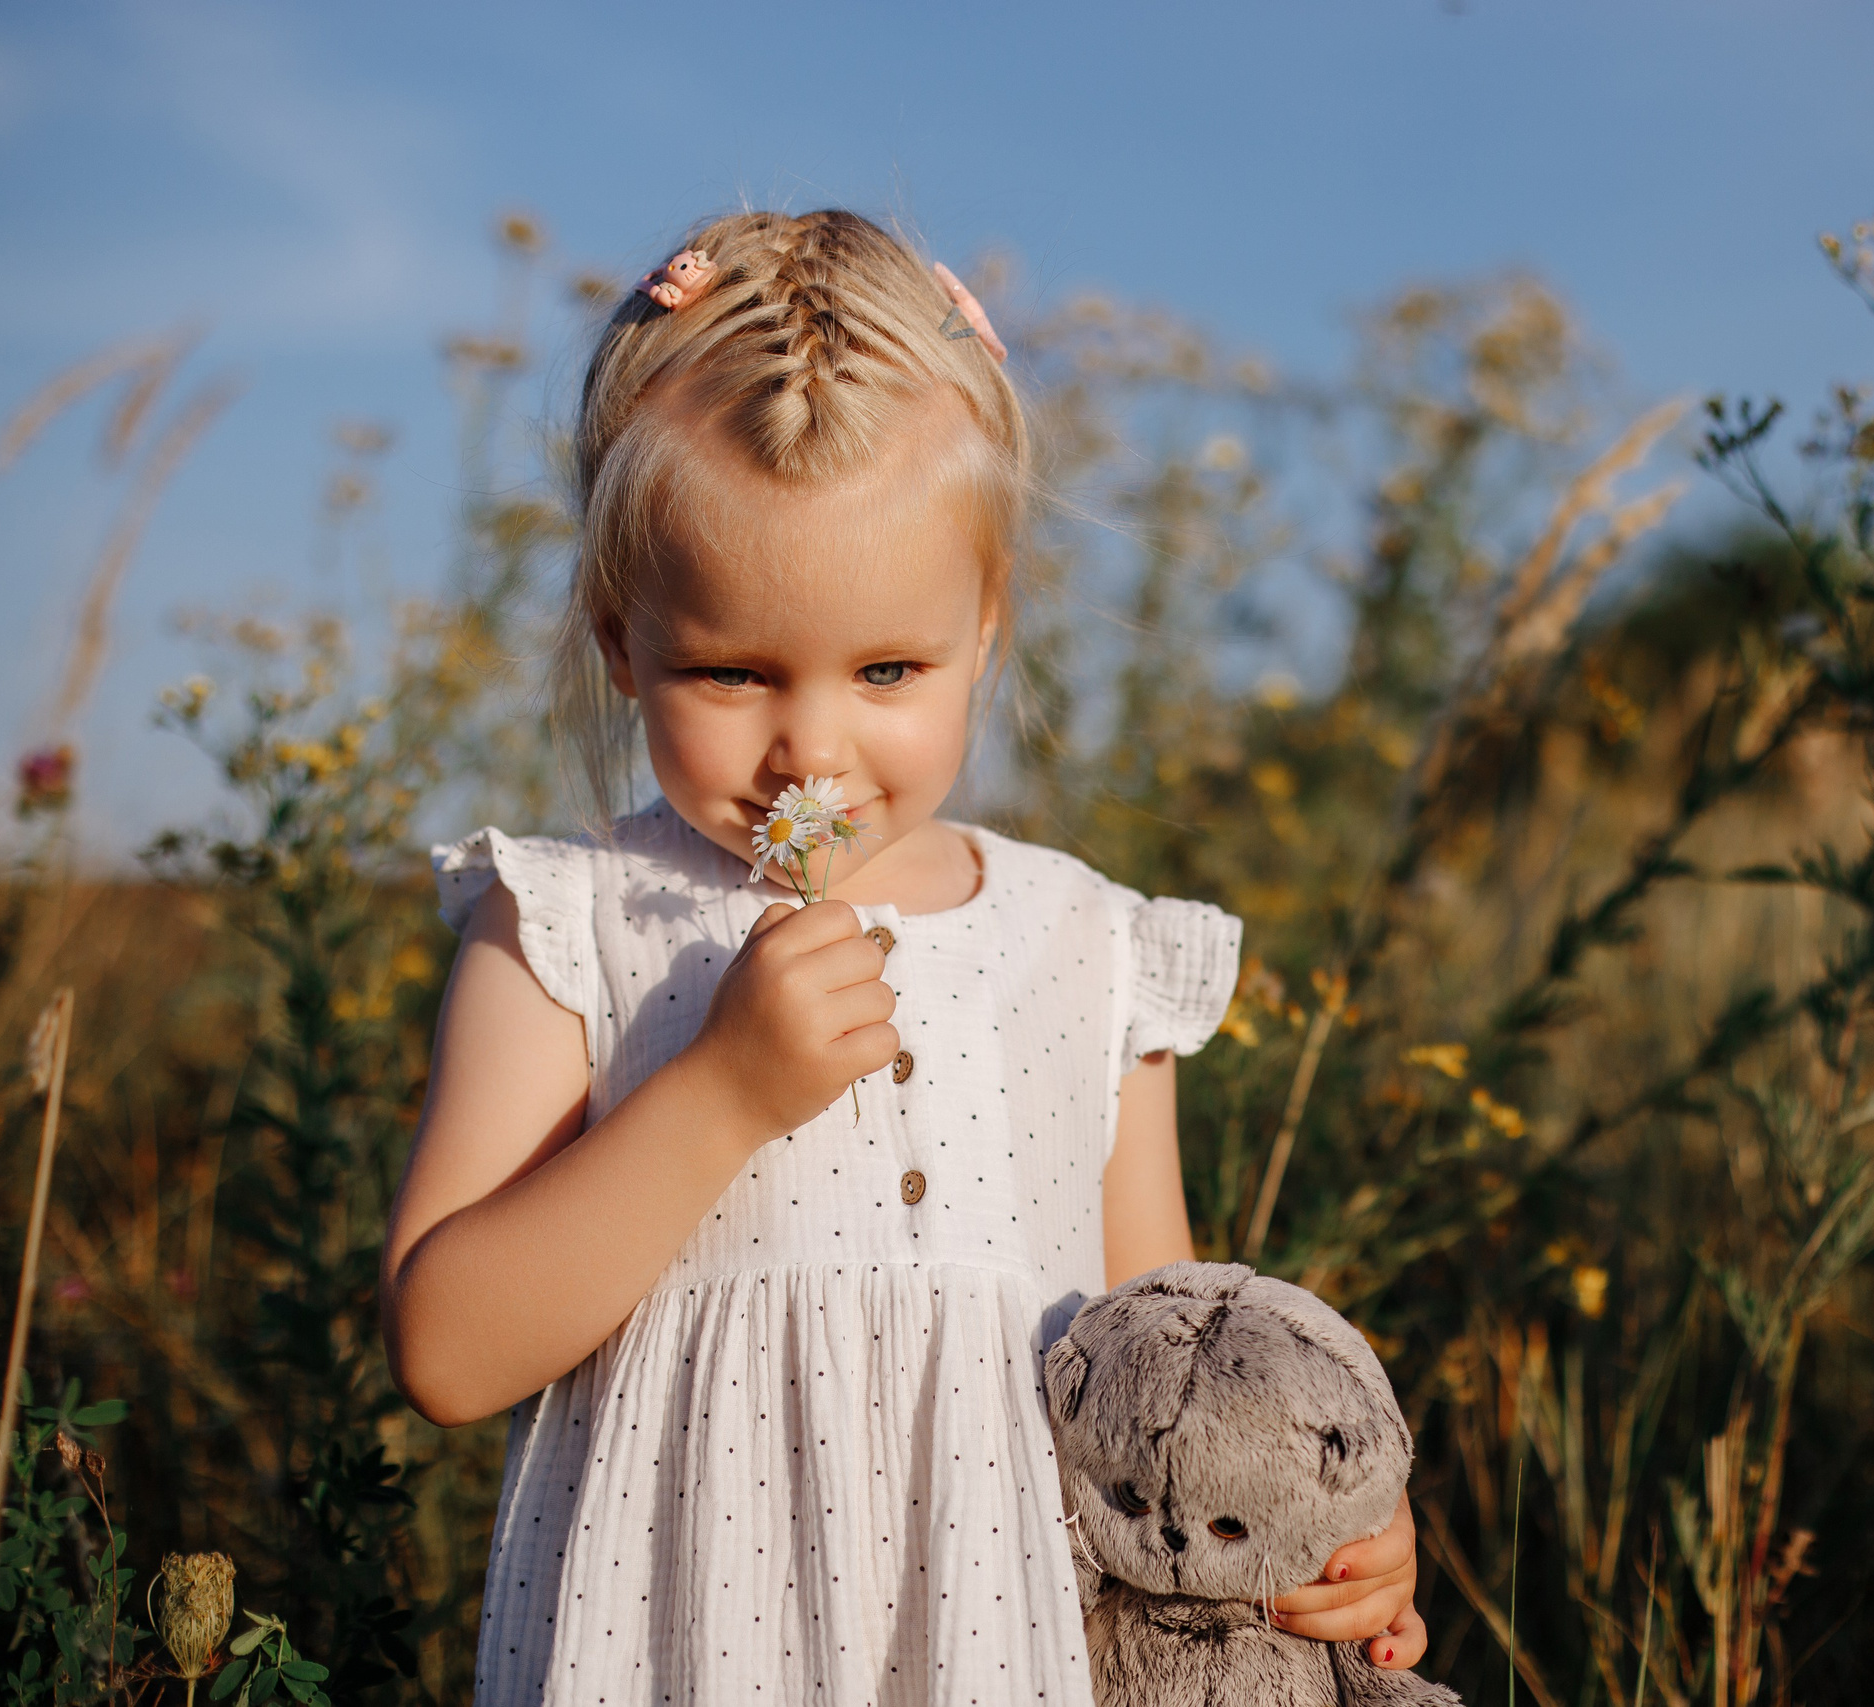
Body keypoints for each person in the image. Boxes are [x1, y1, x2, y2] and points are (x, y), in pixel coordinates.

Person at [380, 208, 1424, 1704]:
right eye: (730, 672)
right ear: (621, 642)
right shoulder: (574, 921)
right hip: (684, 1650)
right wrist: (719, 1096)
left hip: (1009, 1649)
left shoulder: (1083, 945)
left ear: (987, 627)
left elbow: (1176, 1377)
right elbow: (448, 1349)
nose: (811, 746)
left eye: (887, 671)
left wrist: (1341, 1540)